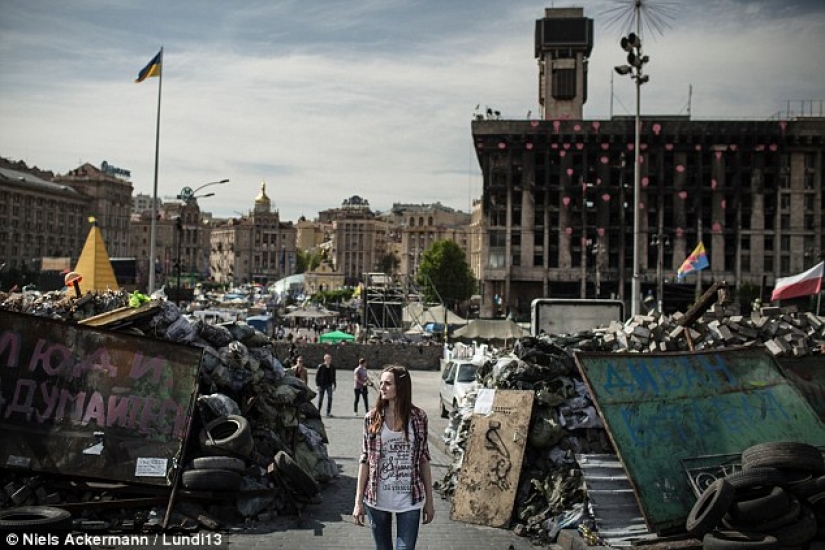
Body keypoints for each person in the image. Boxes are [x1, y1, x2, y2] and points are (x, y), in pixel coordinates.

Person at [353, 365, 435, 550]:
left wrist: (429, 501)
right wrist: (358, 502)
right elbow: (365, 460)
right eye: (381, 383)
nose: (382, 387)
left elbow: (423, 459)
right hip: (377, 499)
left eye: (388, 383)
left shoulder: (418, 418)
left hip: (409, 500)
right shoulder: (371, 418)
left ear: (401, 387)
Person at [315, 353, 337, 417]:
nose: (330, 360)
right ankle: (318, 412)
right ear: (325, 359)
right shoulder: (321, 366)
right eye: (328, 358)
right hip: (322, 385)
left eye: (330, 358)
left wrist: (334, 384)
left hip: (329, 384)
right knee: (320, 398)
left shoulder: (332, 367)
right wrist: (317, 385)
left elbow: (334, 377)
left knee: (330, 398)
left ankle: (328, 412)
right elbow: (317, 376)